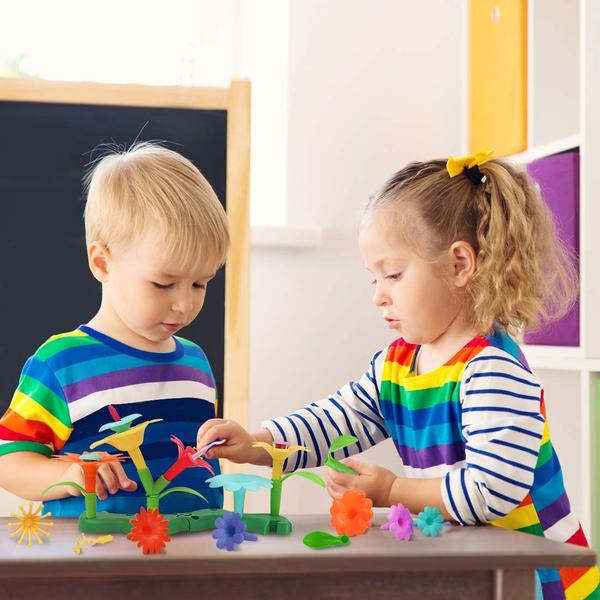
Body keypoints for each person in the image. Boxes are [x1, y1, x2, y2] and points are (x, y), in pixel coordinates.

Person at [197, 151, 599, 598]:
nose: (379, 297)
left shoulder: (491, 371)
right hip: (478, 565)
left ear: (459, 265)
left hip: (538, 579)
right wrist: (256, 444)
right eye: (373, 279)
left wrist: (392, 490)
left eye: (392, 275)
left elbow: (492, 490)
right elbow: (334, 422)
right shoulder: (396, 365)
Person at [0, 142, 229, 516]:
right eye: (162, 284)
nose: (184, 304)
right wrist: (74, 475)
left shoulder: (195, 363)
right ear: (102, 263)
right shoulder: (61, 363)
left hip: (188, 561)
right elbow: (8, 459)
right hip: (92, 564)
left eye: (200, 284)